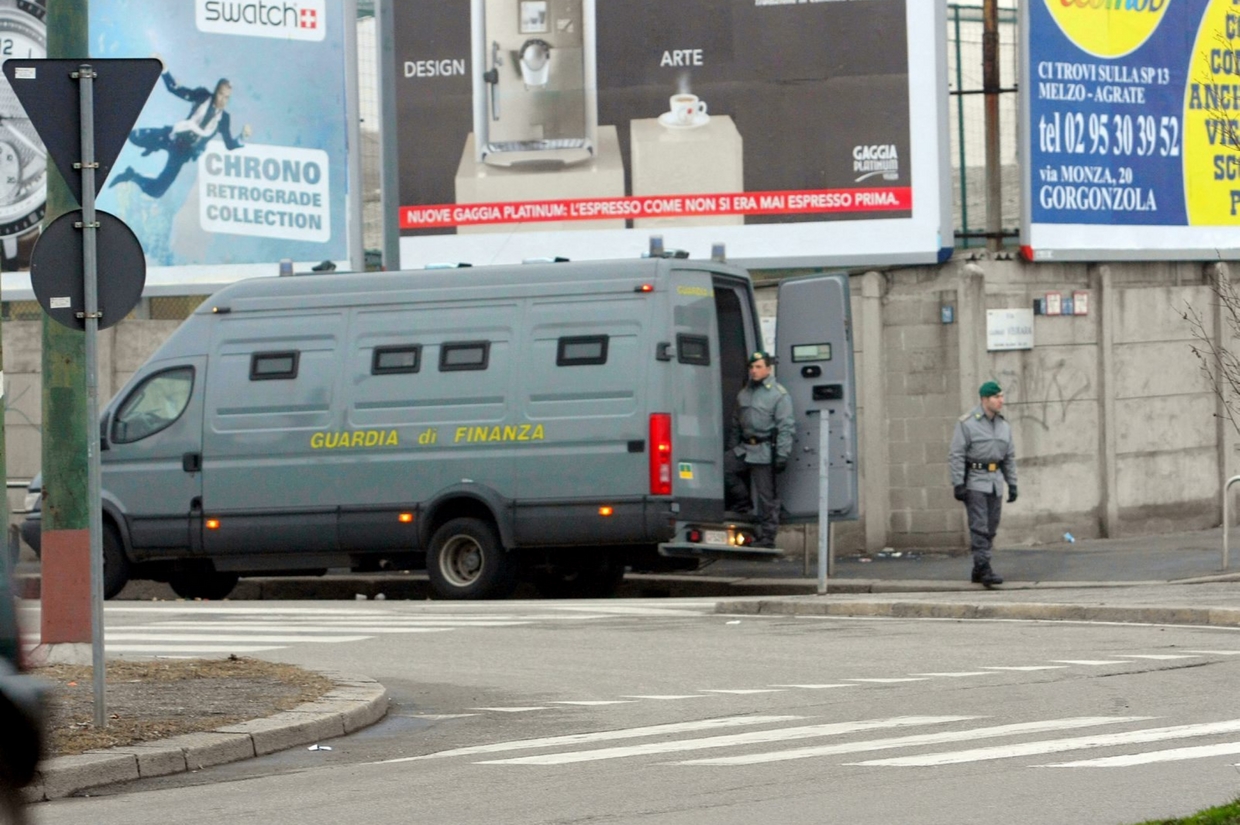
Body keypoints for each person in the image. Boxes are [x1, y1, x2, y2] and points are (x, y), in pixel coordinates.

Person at [110, 69, 252, 199]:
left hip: (183, 152)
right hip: (172, 136)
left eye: (226, 97)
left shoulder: (224, 119)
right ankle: (152, 145)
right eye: (221, 94)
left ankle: (131, 176)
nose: (222, 100)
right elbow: (175, 90)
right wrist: (164, 70)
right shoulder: (202, 95)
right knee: (134, 136)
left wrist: (242, 137)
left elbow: (230, 145)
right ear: (216, 91)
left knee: (157, 191)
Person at [948, 380, 1017, 587]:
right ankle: (984, 567)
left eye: (1002, 396)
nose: (1001, 401)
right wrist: (958, 482)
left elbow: (1009, 458)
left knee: (991, 526)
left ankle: (979, 569)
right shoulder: (967, 423)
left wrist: (1012, 484)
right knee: (979, 526)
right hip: (975, 482)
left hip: (995, 483)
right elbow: (956, 455)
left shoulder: (1004, 426)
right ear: (984, 399)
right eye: (996, 397)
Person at [725, 351, 794, 549]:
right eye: (751, 367)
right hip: (745, 447)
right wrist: (733, 447)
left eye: (758, 367)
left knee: (767, 497)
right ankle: (743, 503)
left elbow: (786, 427)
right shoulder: (744, 393)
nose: (754, 371)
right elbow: (736, 423)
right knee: (724, 468)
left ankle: (768, 536)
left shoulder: (778, 394)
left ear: (768, 369)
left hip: (765, 450)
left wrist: (782, 454)